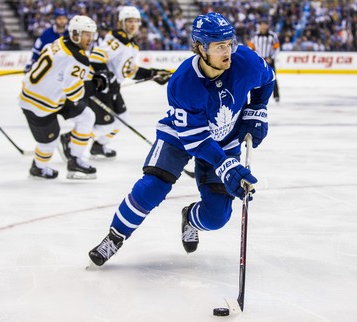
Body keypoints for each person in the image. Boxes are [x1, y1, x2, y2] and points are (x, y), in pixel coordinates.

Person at [88, 12, 275, 266]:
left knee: (217, 217)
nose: (227, 51)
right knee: (154, 185)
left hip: (225, 136)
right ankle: (115, 236)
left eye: (229, 43)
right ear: (200, 48)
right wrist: (226, 164)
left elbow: (268, 79)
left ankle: (189, 217)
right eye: (219, 46)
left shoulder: (246, 62)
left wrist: (258, 109)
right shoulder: (183, 83)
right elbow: (196, 140)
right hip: (181, 134)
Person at [19, 15, 108, 179]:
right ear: (75, 34)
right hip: (37, 103)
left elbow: (66, 73)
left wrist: (91, 77)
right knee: (48, 144)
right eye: (86, 34)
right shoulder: (78, 58)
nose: (90, 38)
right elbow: (75, 94)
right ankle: (38, 167)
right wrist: (96, 85)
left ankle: (76, 159)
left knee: (87, 116)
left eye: (91, 34)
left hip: (51, 94)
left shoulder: (60, 42)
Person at [82, 6, 172, 158]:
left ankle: (99, 146)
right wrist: (107, 77)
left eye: (136, 21)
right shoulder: (118, 39)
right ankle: (72, 138)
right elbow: (96, 57)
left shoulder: (132, 44)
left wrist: (153, 73)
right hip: (101, 87)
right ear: (121, 23)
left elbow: (130, 71)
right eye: (129, 21)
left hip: (112, 88)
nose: (133, 24)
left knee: (122, 118)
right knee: (106, 125)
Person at [25, 8, 69, 72]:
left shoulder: (70, 34)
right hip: (50, 69)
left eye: (64, 18)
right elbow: (37, 50)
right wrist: (32, 63)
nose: (62, 21)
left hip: (66, 68)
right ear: (55, 19)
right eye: (59, 18)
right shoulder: (46, 34)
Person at [248, 19, 280, 102]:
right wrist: (256, 58)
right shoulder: (254, 35)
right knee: (256, 78)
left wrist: (271, 58)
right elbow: (250, 48)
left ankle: (276, 96)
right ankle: (255, 96)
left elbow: (277, 48)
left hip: (269, 60)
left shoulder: (273, 35)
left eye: (265, 24)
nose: (263, 26)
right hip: (259, 61)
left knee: (273, 77)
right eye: (262, 24)